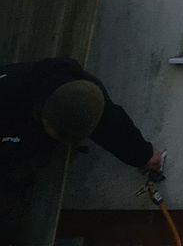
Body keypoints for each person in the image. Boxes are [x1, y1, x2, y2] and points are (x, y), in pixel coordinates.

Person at [0, 57, 160, 234]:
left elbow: (117, 130)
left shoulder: (88, 102)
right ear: (43, 114)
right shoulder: (10, 91)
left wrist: (144, 156)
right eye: (56, 132)